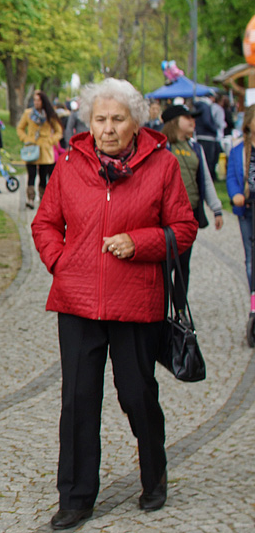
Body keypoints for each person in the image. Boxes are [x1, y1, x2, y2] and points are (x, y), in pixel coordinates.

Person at [30, 78, 197, 531]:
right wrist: (62, 263)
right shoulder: (69, 163)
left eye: (117, 119)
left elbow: (184, 228)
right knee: (79, 400)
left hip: (136, 302)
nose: (107, 129)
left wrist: (138, 242)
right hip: (77, 301)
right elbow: (45, 223)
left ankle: (153, 472)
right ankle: (76, 497)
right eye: (100, 119)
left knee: (136, 394)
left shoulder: (162, 166)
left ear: (136, 122)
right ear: (88, 122)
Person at [161, 104, 224, 306]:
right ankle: (160, 310)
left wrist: (216, 208)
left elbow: (205, 179)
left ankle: (179, 310)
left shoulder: (196, 147)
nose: (192, 121)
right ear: (174, 122)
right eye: (187, 117)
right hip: (166, 217)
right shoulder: (163, 147)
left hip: (189, 216)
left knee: (183, 266)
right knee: (164, 266)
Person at [17, 90, 63, 209]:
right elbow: (20, 128)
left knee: (43, 176)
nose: (36, 102)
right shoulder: (28, 113)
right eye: (35, 100)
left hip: (45, 149)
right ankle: (30, 199)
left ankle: (43, 199)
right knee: (31, 175)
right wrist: (26, 138)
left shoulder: (49, 115)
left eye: (38, 100)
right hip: (31, 148)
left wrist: (51, 141)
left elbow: (59, 131)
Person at [226, 106, 255, 290]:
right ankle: (254, 299)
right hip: (247, 206)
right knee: (251, 254)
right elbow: (230, 177)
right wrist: (236, 193)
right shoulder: (239, 150)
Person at [192, 96, 223, 181]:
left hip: (200, 135)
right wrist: (214, 130)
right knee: (208, 160)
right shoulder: (205, 107)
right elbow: (206, 121)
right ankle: (207, 179)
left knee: (203, 160)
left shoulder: (199, 106)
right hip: (207, 136)